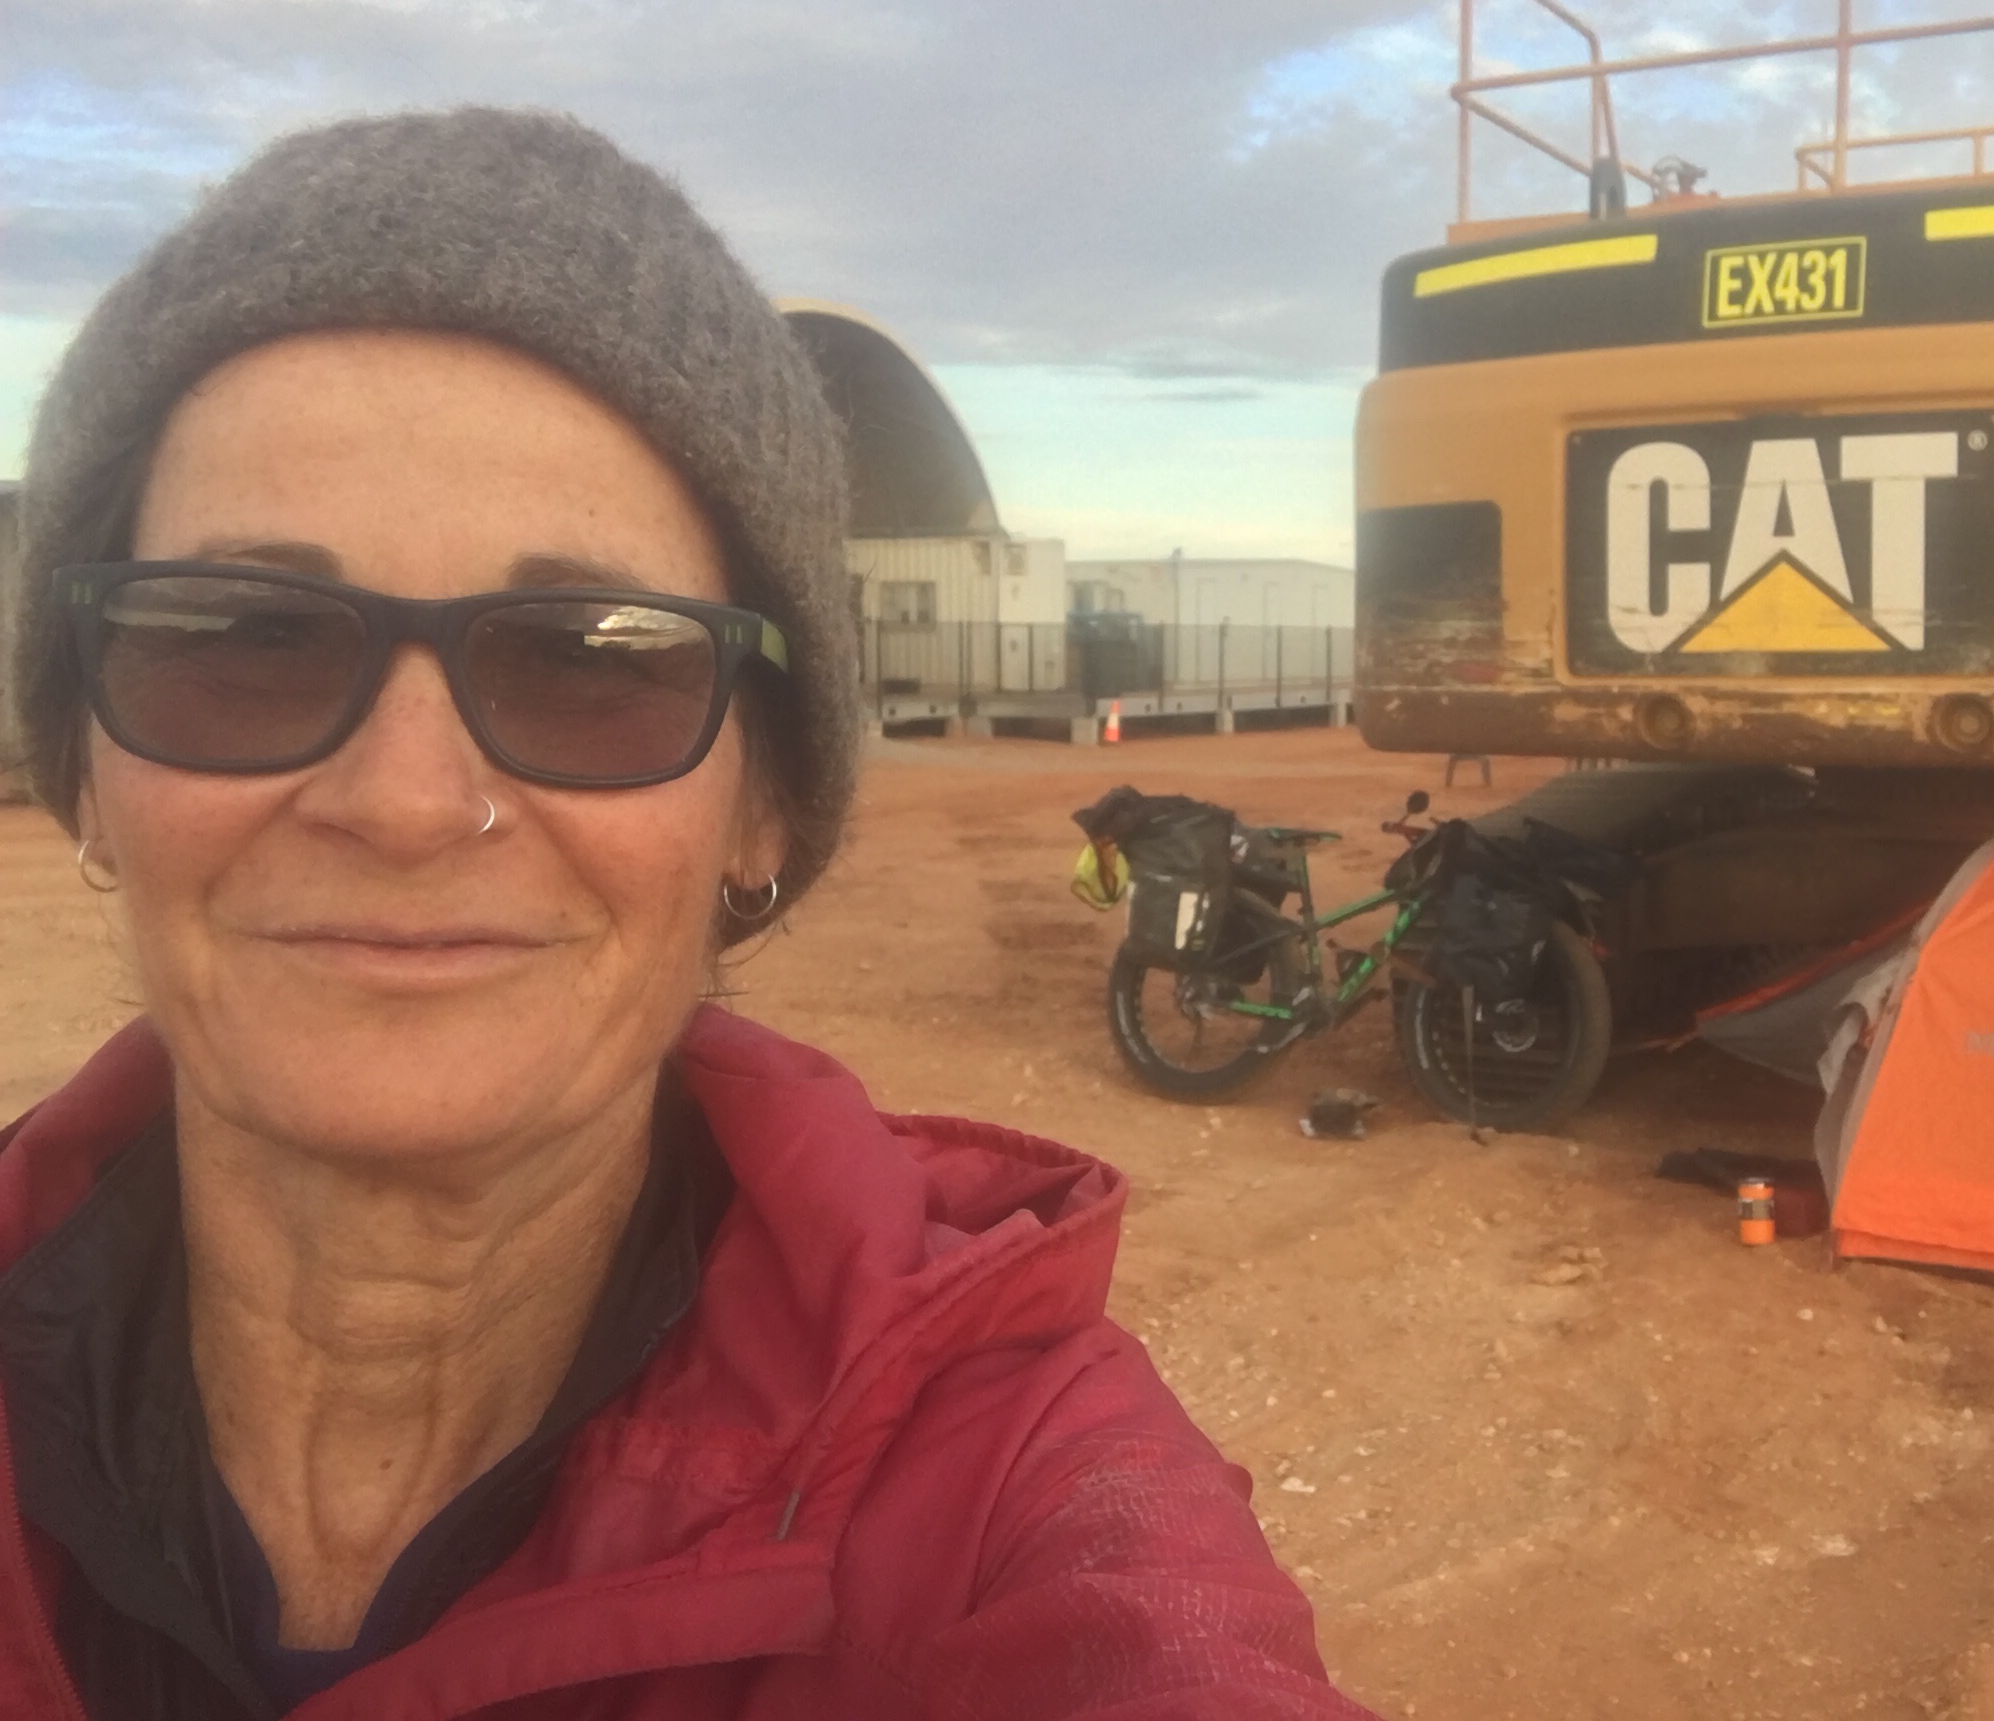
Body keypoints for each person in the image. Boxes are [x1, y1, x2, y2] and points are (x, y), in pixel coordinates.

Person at [0, 108, 1373, 1720]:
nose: (408, 802)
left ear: (761, 806)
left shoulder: (1011, 1502)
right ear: (87, 767)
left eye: (591, 662)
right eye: (247, 642)